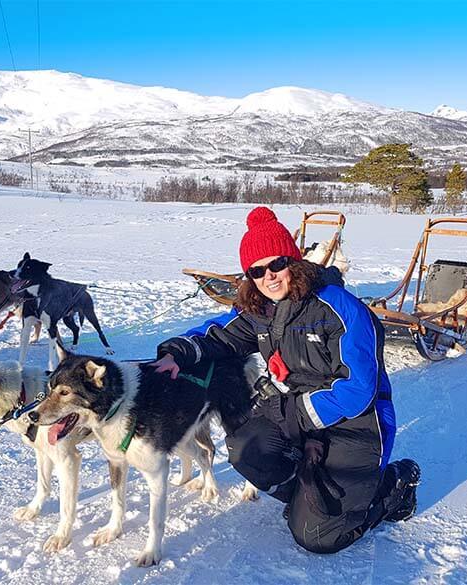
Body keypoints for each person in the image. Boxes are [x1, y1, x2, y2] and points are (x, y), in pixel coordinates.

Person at [151, 206, 420, 554]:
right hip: (298, 414)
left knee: (318, 539)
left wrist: (295, 414)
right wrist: (176, 352)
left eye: (277, 264)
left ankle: (390, 487)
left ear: (295, 261)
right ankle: (308, 501)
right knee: (246, 447)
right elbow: (217, 335)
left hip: (358, 424)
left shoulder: (340, 308)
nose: (269, 276)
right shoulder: (261, 309)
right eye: (257, 270)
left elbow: (358, 389)